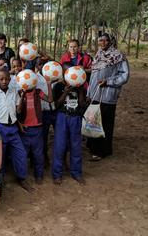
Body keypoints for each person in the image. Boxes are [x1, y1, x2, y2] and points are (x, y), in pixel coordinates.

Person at [87, 33, 129, 161]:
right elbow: (94, 75)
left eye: (106, 40)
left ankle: (102, 151)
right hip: (95, 93)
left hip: (107, 95)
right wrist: (89, 92)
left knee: (105, 123)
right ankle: (93, 146)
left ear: (110, 41)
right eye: (101, 40)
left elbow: (124, 75)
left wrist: (109, 82)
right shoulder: (99, 55)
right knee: (93, 119)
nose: (103, 43)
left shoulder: (118, 56)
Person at [0, 69, 30, 190]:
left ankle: (22, 178)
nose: (4, 81)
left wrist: (22, 97)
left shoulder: (14, 92)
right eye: (1, 79)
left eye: (6, 79)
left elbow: (19, 111)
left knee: (21, 154)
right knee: (0, 155)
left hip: (13, 128)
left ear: (10, 80)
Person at [52, 65, 87, 185]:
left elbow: (82, 104)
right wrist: (65, 93)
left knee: (76, 146)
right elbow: (56, 105)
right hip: (62, 117)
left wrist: (81, 91)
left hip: (75, 118)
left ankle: (76, 173)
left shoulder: (80, 85)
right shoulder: (59, 86)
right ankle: (57, 174)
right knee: (59, 146)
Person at [18, 77, 53, 184]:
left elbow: (50, 100)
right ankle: (22, 177)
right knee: (23, 155)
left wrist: (48, 85)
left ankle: (39, 175)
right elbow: (19, 110)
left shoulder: (38, 92)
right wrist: (23, 95)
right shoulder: (20, 93)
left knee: (38, 154)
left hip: (37, 129)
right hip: (25, 129)